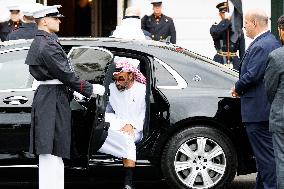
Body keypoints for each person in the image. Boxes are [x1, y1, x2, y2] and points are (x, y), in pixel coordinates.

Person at [24, 5, 105, 189]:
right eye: (55, 18)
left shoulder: (43, 42)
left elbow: (59, 75)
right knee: (51, 149)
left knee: (52, 150)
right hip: (52, 99)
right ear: (44, 21)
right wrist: (90, 89)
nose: (59, 21)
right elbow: (66, 74)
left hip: (51, 96)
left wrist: (75, 89)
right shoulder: (48, 44)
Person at [231, 9, 280, 189]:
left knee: (266, 160)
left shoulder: (262, 45)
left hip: (258, 112)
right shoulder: (268, 42)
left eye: (245, 24)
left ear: (254, 23)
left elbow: (253, 75)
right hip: (261, 110)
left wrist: (237, 87)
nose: (243, 28)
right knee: (263, 158)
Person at [98, 61, 146, 189]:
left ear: (131, 76)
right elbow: (108, 110)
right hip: (117, 121)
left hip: (135, 127)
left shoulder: (142, 90)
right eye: (115, 79)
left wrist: (132, 125)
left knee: (126, 138)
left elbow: (144, 114)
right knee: (96, 130)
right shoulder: (112, 88)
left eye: (121, 78)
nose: (117, 82)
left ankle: (128, 181)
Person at [264, 15, 284, 189]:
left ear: (281, 31)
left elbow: (269, 88)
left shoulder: (277, 56)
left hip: (281, 117)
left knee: (282, 161)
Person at [210, 2, 245, 70]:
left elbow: (242, 51)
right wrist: (226, 21)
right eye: (223, 13)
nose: (226, 15)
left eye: (227, 13)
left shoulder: (237, 29)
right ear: (220, 14)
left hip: (234, 61)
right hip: (220, 59)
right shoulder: (215, 27)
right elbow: (216, 32)